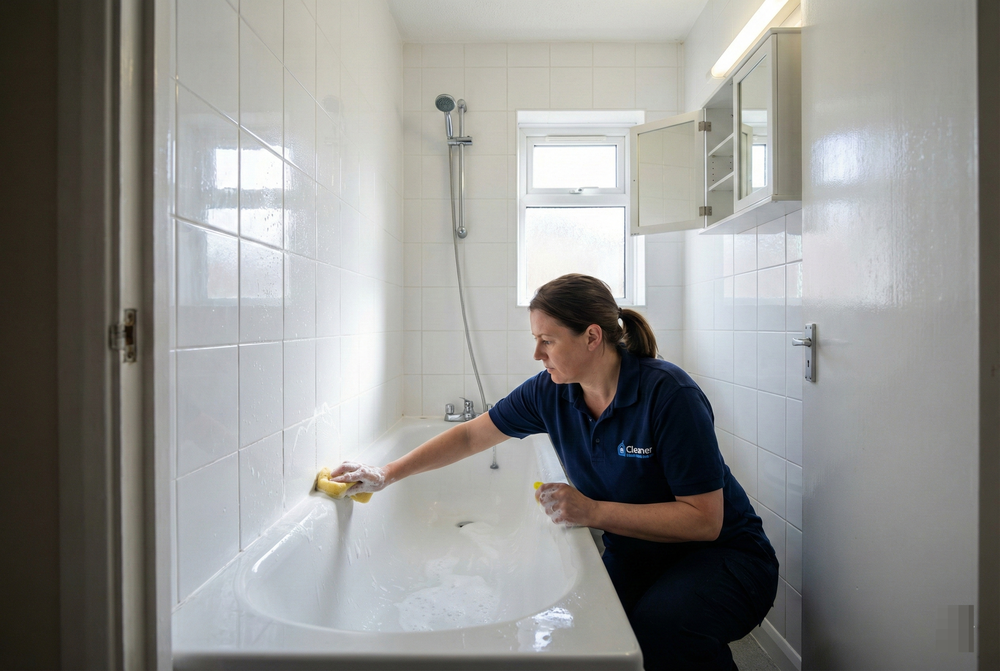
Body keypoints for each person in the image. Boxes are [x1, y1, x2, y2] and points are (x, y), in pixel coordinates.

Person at [329, 273, 779, 670]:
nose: (536, 353)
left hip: (725, 557)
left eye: (547, 339)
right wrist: (386, 473)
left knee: (663, 629)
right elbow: (470, 437)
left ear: (592, 337)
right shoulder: (551, 393)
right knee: (585, 637)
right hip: (640, 555)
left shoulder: (669, 395)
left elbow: (704, 520)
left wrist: (593, 511)